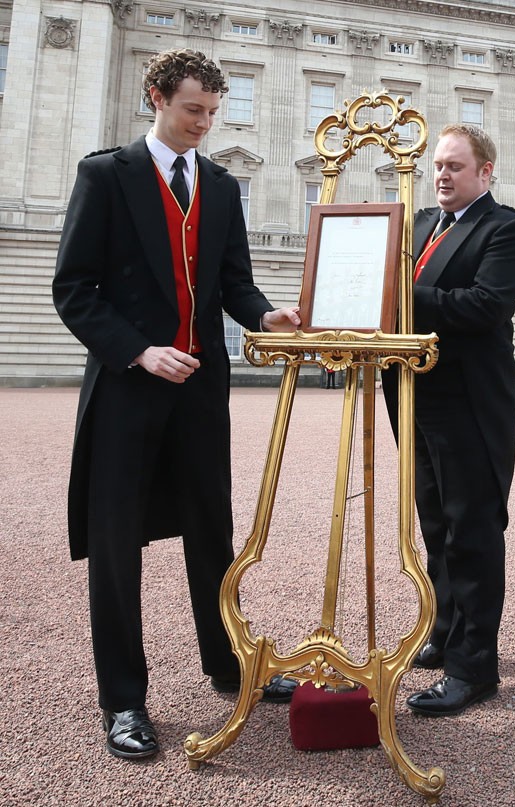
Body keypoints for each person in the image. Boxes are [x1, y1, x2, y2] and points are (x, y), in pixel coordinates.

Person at [52, 48, 300, 760]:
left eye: (213, 113)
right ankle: (123, 700)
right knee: (116, 543)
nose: (204, 124)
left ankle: (228, 666)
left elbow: (234, 283)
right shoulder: (105, 175)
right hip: (128, 388)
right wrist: (138, 349)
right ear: (156, 97)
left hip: (199, 390)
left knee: (211, 532)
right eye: (193, 110)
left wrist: (266, 316)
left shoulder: (221, 186)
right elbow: (74, 289)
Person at [382, 124, 515, 716]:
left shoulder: (507, 228)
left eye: (454, 166)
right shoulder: (419, 226)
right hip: (415, 393)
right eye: (437, 166)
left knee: (471, 529)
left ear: (485, 172)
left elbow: (484, 306)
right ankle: (446, 631)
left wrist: (396, 285)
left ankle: (475, 666)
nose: (441, 175)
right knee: (434, 523)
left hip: (469, 399)